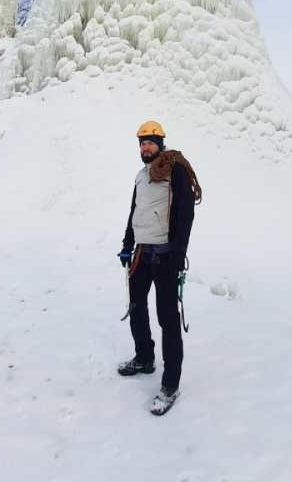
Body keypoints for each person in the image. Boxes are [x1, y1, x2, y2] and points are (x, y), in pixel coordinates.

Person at [117, 121, 201, 416]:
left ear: (160, 143)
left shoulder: (175, 169)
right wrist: (128, 244)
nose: (146, 148)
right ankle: (144, 357)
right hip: (141, 255)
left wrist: (179, 253)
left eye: (151, 142)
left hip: (165, 257)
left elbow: (186, 214)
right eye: (142, 143)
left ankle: (170, 384)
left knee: (167, 320)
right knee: (137, 307)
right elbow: (135, 213)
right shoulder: (141, 176)